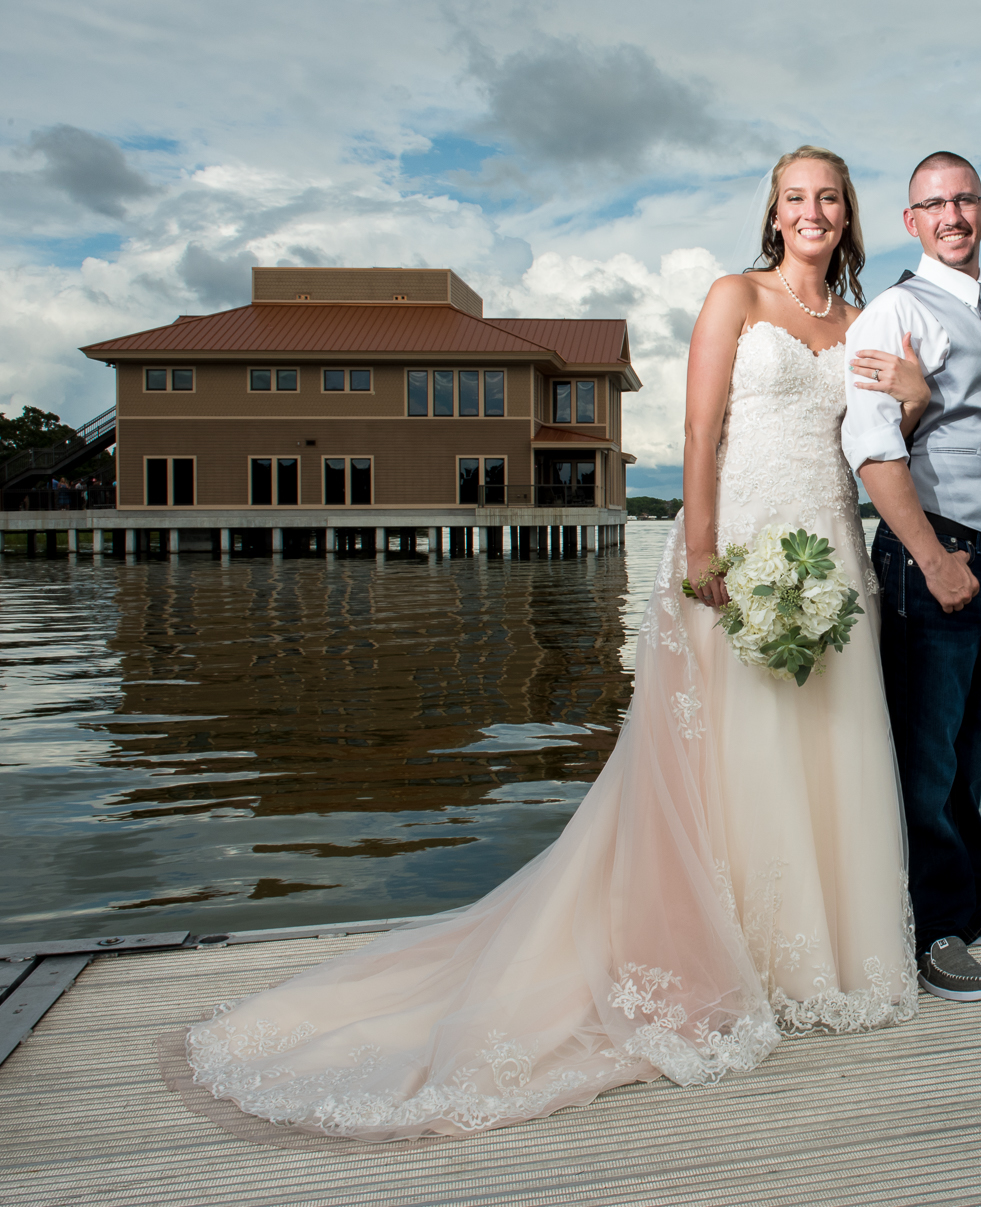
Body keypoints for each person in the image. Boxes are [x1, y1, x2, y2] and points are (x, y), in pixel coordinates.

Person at [185, 146, 933, 1142]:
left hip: (831, 544)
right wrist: (700, 540)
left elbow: (871, 440)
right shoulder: (732, 298)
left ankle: (819, 959)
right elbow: (698, 427)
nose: (812, 212)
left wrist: (915, 400)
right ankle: (729, 953)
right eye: (794, 197)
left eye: (827, 198)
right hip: (743, 536)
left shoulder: (857, 323)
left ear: (848, 215)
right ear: (773, 214)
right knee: (737, 747)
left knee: (825, 741)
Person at [842, 151, 981, 1004]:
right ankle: (928, 933)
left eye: (965, 199)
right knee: (922, 758)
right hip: (931, 555)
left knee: (978, 746)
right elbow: (872, 445)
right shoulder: (893, 311)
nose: (952, 214)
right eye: (934, 203)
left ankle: (968, 901)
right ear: (911, 222)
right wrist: (932, 558)